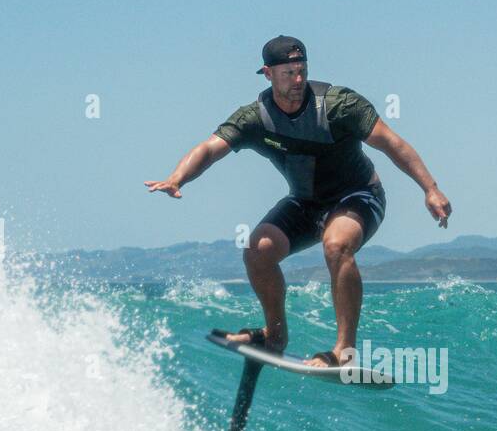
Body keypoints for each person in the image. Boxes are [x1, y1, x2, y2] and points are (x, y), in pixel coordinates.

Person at [145, 35, 451, 367]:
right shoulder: (255, 118)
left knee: (337, 244)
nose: (298, 80)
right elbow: (209, 148)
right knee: (257, 250)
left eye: (302, 70)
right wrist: (177, 177)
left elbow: (393, 144)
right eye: (288, 72)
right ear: (267, 73)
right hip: (306, 203)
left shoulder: (338, 106)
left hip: (359, 195)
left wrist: (430, 189)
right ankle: (274, 335)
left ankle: (343, 352)